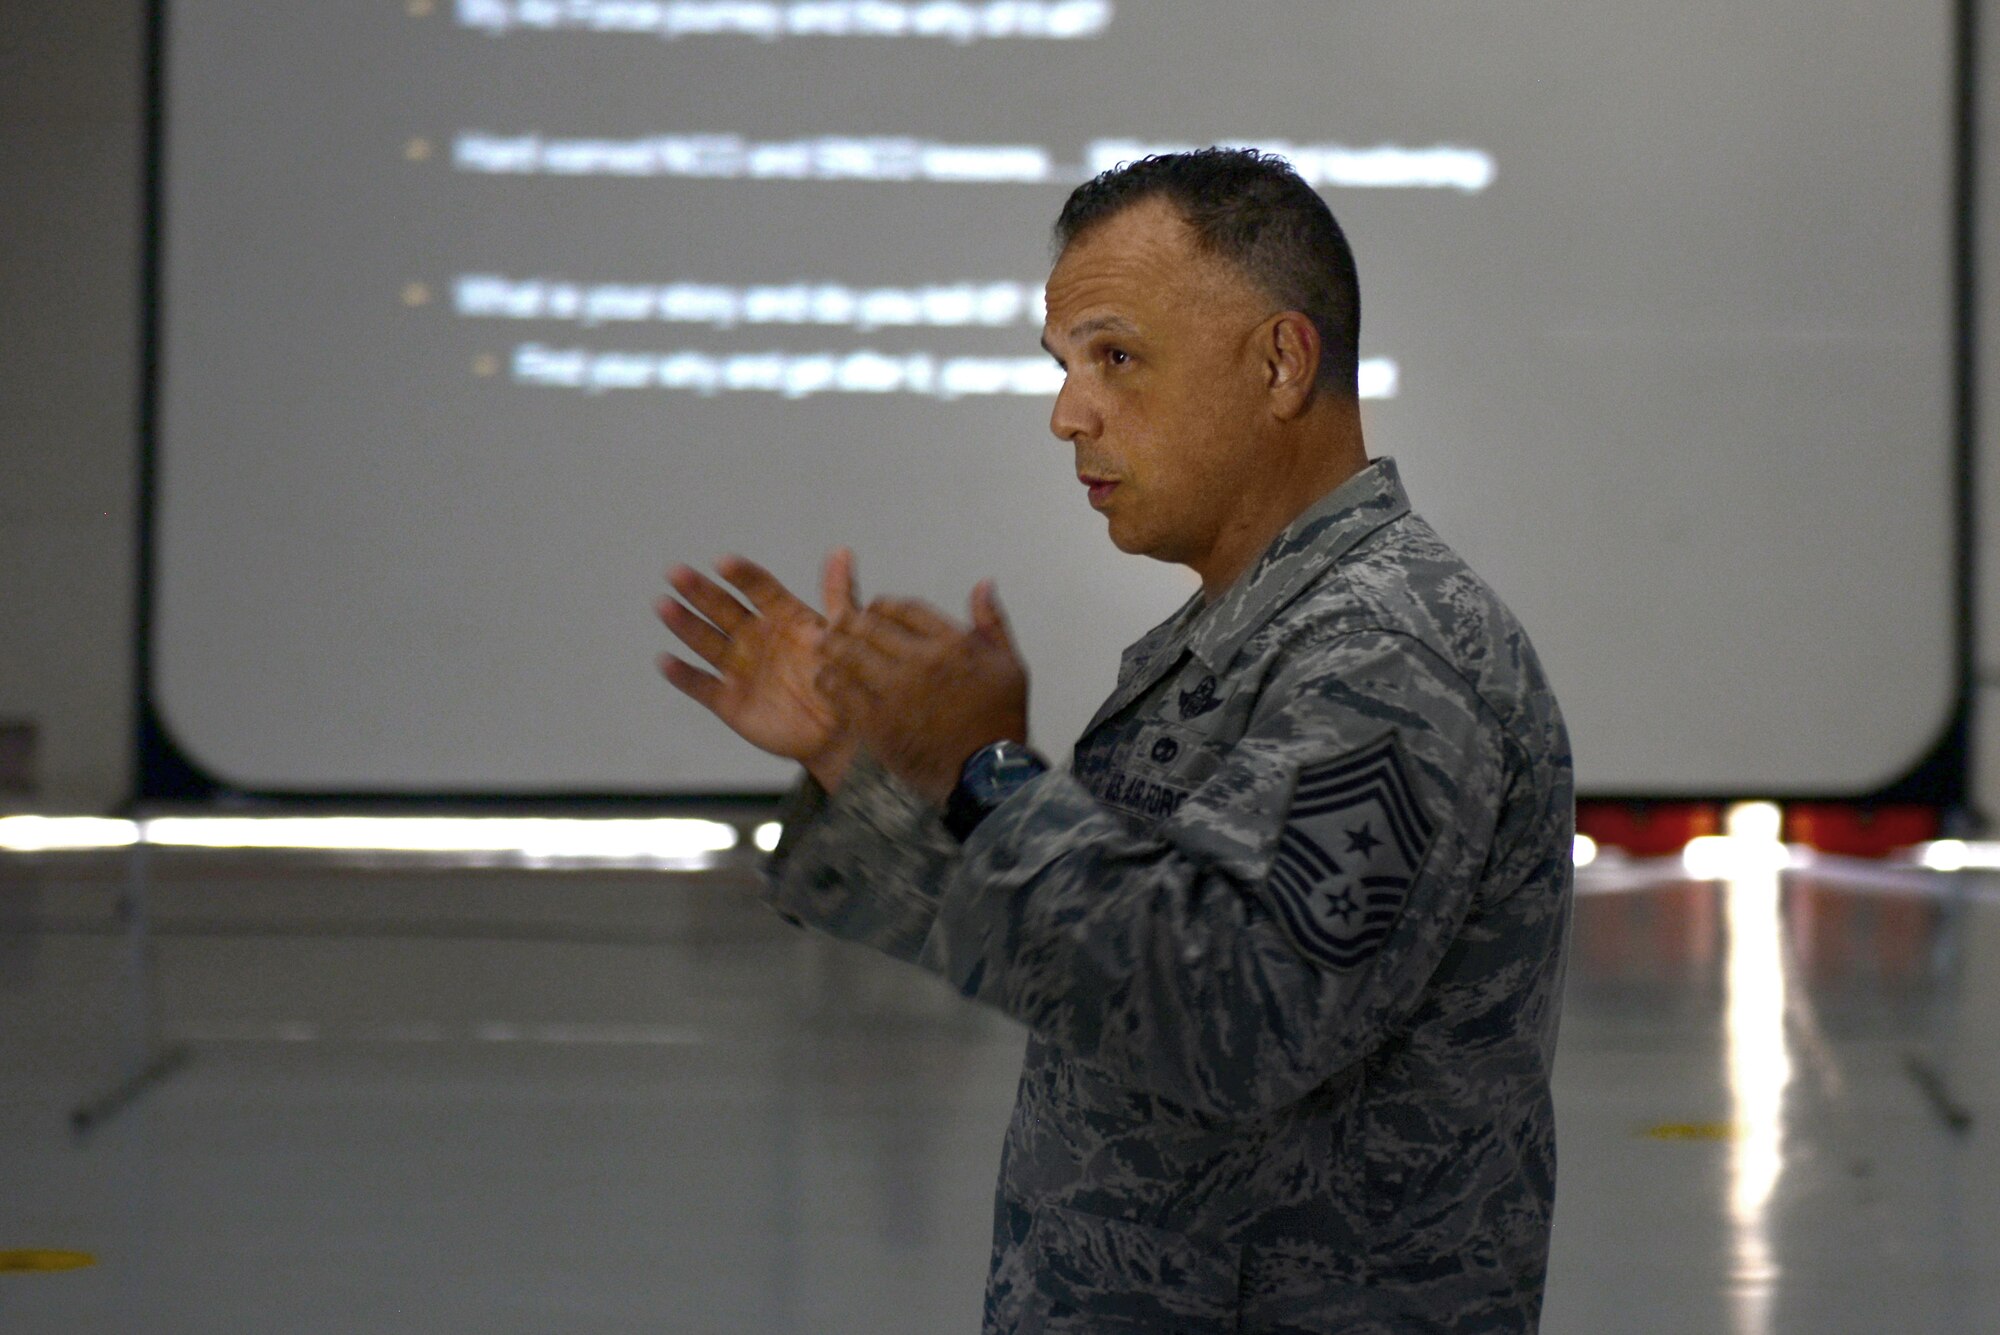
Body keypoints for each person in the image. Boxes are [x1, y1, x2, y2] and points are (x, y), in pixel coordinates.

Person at [657, 148, 1572, 1334]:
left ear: (1280, 363)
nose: (1065, 413)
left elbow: (1241, 1018)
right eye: (1065, 366)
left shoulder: (1387, 654)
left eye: (1116, 358)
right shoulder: (1258, 632)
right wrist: (860, 760)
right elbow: (1087, 961)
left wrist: (987, 776)